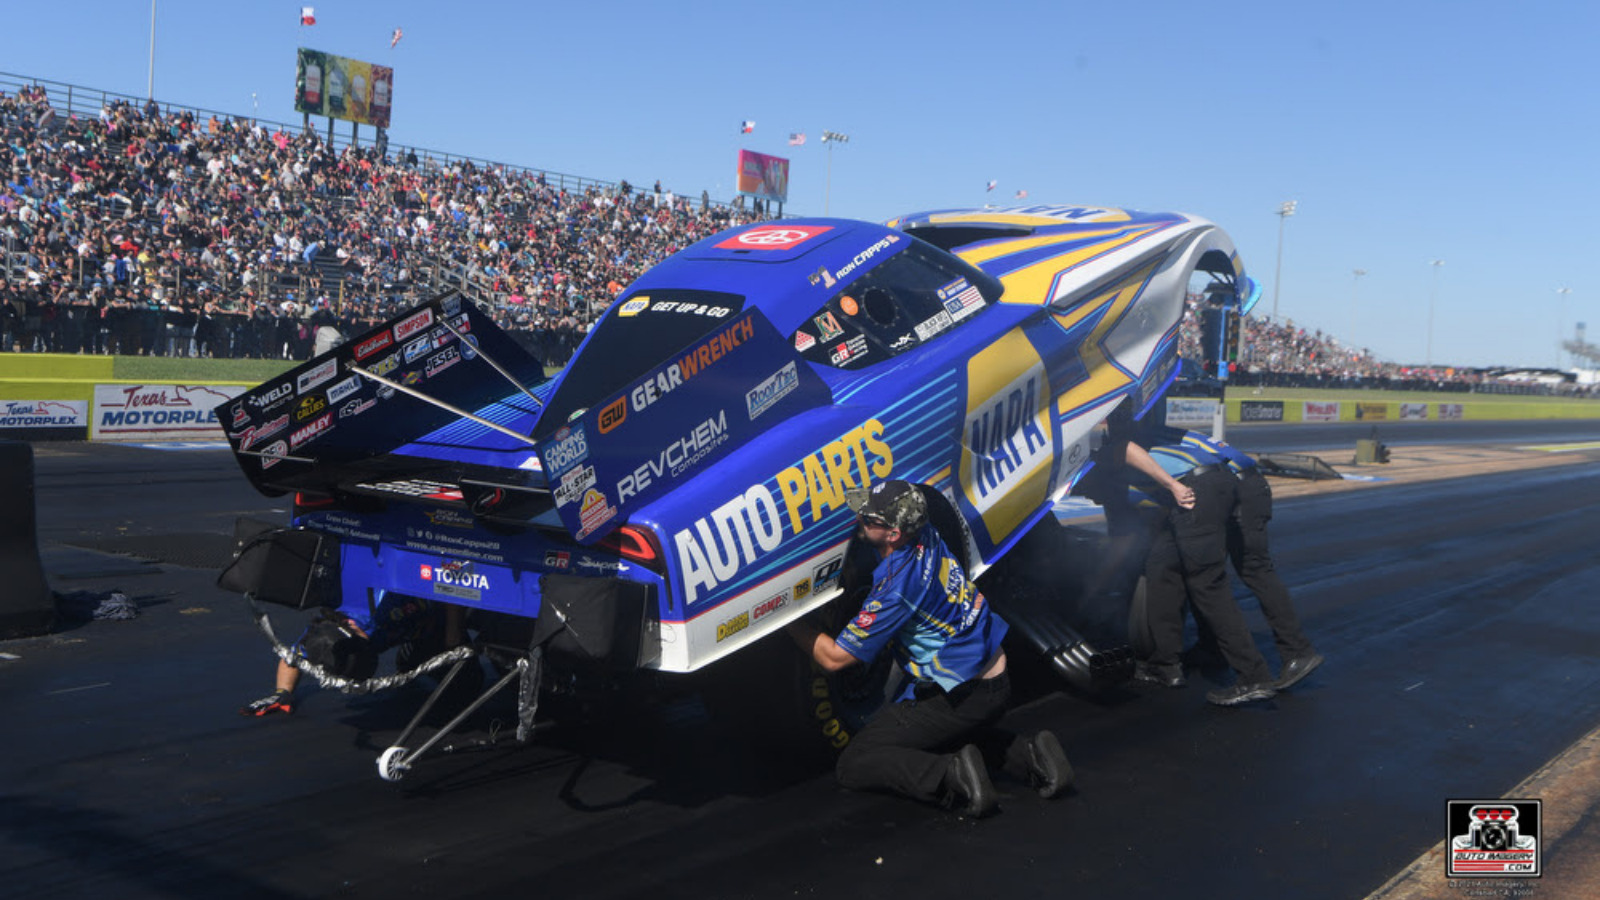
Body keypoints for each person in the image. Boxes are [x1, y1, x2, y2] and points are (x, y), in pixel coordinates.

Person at [786, 480, 1073, 817]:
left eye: (869, 519)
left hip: (966, 692)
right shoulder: (927, 532)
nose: (859, 520)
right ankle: (1032, 755)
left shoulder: (896, 590)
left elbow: (834, 658)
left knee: (855, 761)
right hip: (995, 673)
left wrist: (788, 622)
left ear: (893, 534)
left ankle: (951, 779)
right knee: (934, 737)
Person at [1099, 414, 1278, 707]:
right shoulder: (1155, 437)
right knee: (1161, 567)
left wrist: (1172, 486)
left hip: (1193, 491)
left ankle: (1253, 675)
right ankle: (1166, 664)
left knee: (1208, 586)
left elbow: (1126, 449)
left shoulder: (1111, 450)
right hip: (1219, 483)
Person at [1187, 430, 1325, 690]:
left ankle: (1297, 652)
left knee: (1247, 572)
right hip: (1249, 485)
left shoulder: (1149, 444)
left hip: (1238, 491)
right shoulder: (1186, 436)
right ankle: (1212, 646)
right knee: (1218, 572)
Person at [239, 592, 461, 716]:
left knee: (463, 686)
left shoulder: (391, 608)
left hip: (443, 616)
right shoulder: (324, 637)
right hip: (413, 631)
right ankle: (414, 654)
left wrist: (453, 636)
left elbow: (451, 589)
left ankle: (418, 653)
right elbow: (293, 657)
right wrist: (282, 693)